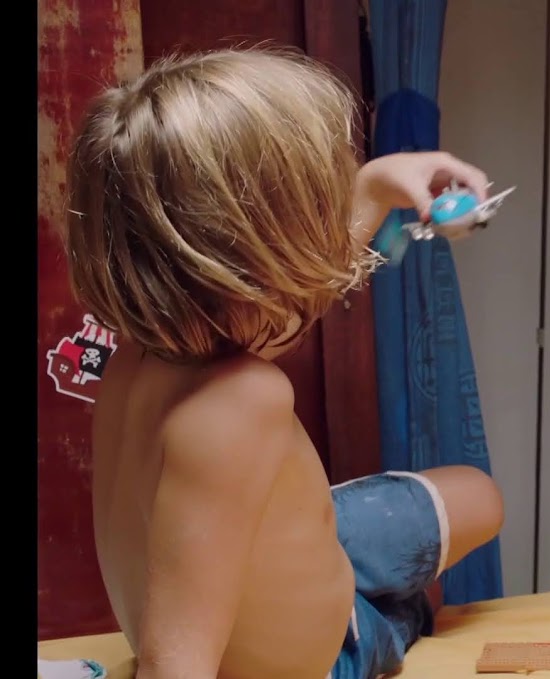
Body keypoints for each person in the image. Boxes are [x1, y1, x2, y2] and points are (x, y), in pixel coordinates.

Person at [62, 47, 505, 679]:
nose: (326, 259)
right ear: (252, 266)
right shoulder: (237, 403)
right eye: (314, 227)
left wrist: (379, 183)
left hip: (294, 549)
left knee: (478, 497)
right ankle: (408, 611)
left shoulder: (153, 347)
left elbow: (288, 302)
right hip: (330, 647)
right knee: (417, 602)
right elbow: (172, 662)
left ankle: (377, 579)